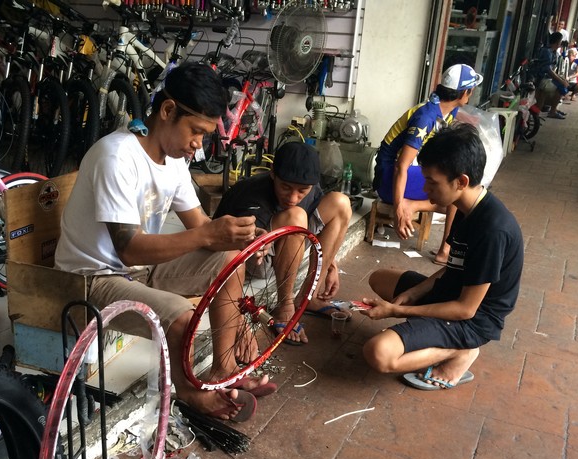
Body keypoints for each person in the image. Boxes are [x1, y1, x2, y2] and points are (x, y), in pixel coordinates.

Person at [54, 62, 275, 423]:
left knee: (231, 258)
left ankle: (224, 368)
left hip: (138, 270)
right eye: (196, 132)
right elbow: (128, 248)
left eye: (204, 135)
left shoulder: (173, 162)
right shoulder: (117, 157)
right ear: (168, 110)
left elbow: (201, 225)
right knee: (183, 320)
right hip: (91, 277)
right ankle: (185, 393)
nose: (197, 144)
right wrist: (208, 234)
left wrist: (244, 238)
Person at [360, 123, 524, 390]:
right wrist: (414, 293)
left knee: (378, 352)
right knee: (380, 278)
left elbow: (465, 309)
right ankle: (430, 327)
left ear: (461, 182)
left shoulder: (493, 230)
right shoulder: (465, 206)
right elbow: (452, 267)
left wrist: (397, 311)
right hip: (453, 293)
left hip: (473, 320)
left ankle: (459, 351)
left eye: (432, 182)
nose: (426, 190)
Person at [212, 142, 352, 345]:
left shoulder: (309, 184)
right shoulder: (250, 194)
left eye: (302, 190)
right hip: (249, 259)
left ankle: (309, 297)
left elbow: (321, 224)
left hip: (283, 246)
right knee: (296, 215)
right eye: (285, 187)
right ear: (272, 174)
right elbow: (235, 244)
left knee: (341, 203)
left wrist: (330, 264)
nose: (293, 197)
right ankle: (284, 305)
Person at [373, 64, 483, 267]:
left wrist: (472, 121)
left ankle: (414, 204)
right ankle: (445, 250)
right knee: (457, 187)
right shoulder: (425, 119)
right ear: (464, 92)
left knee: (456, 185)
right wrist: (398, 210)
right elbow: (401, 166)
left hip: (399, 174)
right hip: (389, 178)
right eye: (471, 89)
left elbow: (457, 114)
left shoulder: (443, 106)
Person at [534, 32, 570, 118]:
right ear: (557, 42)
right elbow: (548, 70)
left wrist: (562, 79)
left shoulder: (553, 52)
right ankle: (552, 111)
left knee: (562, 84)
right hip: (541, 78)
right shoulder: (547, 52)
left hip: (546, 77)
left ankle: (551, 109)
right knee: (561, 88)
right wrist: (561, 80)